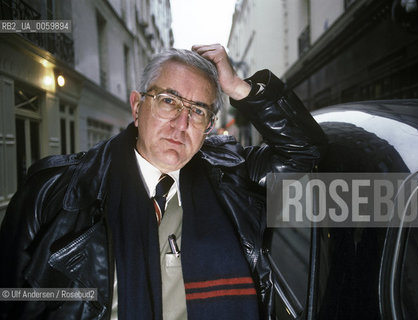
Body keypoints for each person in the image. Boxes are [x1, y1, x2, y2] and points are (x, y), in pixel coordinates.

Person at [0, 44, 326, 319]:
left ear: (209, 126)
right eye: (169, 101)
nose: (181, 124)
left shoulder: (234, 175)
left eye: (198, 111)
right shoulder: (53, 191)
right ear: (137, 107)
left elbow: (306, 153)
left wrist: (239, 88)